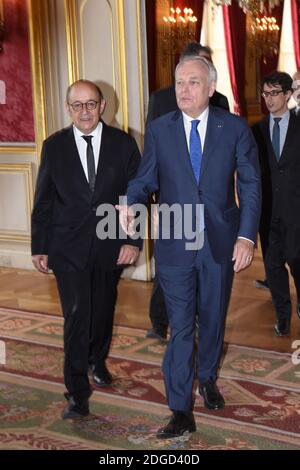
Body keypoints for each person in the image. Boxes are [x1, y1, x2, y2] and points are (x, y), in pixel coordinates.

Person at [117, 56, 261, 438]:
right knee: (181, 326)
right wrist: (131, 202)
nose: (184, 90)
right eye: (179, 82)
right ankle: (180, 408)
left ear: (211, 88)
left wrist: (246, 237)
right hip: (175, 245)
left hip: (220, 242)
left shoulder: (233, 128)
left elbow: (249, 184)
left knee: (212, 319)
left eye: (193, 82)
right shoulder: (160, 130)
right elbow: (144, 179)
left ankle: (208, 377)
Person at [31, 79, 141, 419]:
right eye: (77, 105)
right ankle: (77, 391)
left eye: (90, 104)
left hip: (110, 244)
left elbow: (134, 197)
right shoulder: (54, 146)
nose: (84, 111)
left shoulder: (123, 144)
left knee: (103, 311)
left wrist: (132, 240)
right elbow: (44, 200)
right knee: (77, 314)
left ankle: (97, 358)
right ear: (68, 109)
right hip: (67, 246)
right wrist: (40, 246)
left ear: (102, 106)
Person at [146, 42, 230, 341]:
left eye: (197, 77)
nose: (187, 87)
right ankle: (159, 322)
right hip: (174, 210)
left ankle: (197, 326)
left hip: (209, 215)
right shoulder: (159, 101)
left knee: (207, 286)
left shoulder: (219, 102)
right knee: (168, 273)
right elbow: (152, 155)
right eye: (183, 78)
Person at [252, 71, 300, 336]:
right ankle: (282, 316)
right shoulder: (256, 131)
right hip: (267, 212)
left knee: (296, 258)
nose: (268, 99)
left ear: (288, 94)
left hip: (296, 210)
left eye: (274, 93)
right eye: (265, 93)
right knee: (272, 265)